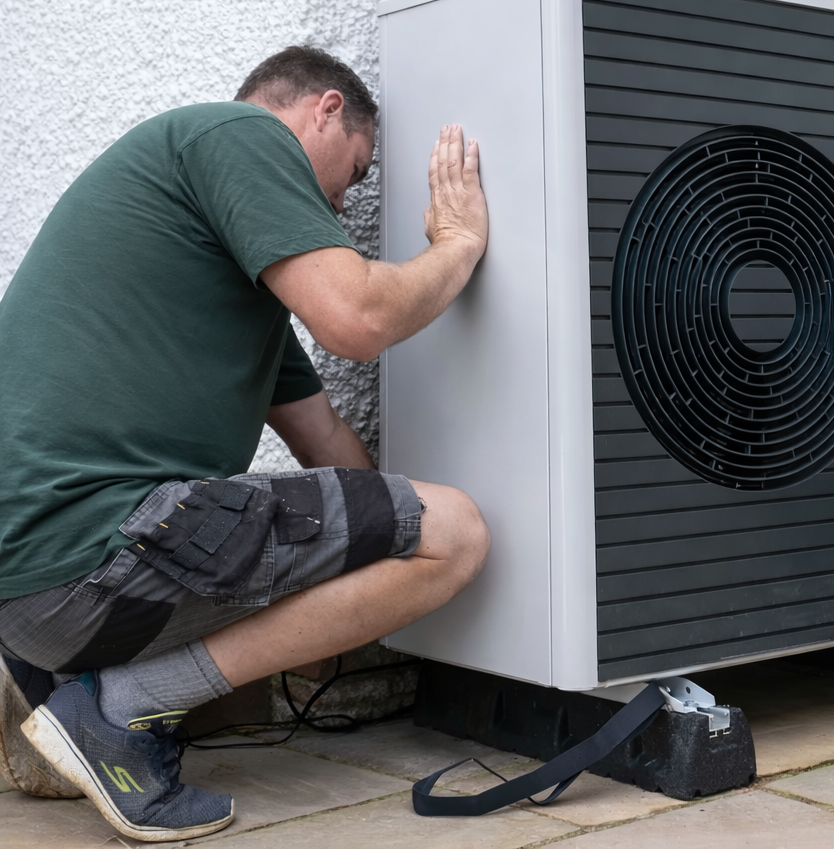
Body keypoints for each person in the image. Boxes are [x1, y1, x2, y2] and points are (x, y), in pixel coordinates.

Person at [0, 46, 491, 840]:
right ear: (323, 110)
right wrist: (458, 246)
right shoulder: (237, 133)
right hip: (90, 552)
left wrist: (369, 578)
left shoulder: (228, 291)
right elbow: (357, 320)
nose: (340, 207)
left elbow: (324, 438)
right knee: (458, 532)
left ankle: (56, 678)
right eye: (355, 172)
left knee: (415, 528)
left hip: (32, 580)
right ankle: (114, 712)